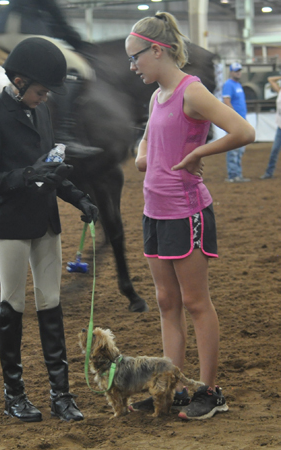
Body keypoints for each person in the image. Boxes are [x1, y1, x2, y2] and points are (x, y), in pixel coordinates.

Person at [125, 12, 255, 420]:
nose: (133, 66)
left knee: (196, 303)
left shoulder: (190, 91)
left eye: (136, 58)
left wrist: (199, 153)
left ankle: (211, 392)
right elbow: (146, 139)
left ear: (157, 50)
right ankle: (175, 389)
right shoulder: (156, 95)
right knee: (166, 302)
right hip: (154, 211)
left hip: (186, 210)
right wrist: (143, 156)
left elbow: (243, 132)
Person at [0, 37, 99, 423]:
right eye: (41, 91)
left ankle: (61, 394)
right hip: (10, 224)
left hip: (46, 220)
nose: (45, 98)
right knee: (12, 306)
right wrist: (27, 175)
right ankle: (15, 395)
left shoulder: (42, 114)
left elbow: (53, 168)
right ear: (20, 80)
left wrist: (79, 198)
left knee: (52, 305)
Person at [0, 0, 99, 157]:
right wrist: (78, 44)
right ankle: (63, 134)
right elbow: (56, 17)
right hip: (21, 30)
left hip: (8, 30)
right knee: (77, 68)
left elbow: (52, 22)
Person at [222, 62, 251, 182]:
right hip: (236, 121)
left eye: (239, 70)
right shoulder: (229, 84)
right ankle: (233, 175)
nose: (239, 72)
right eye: (236, 70)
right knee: (234, 148)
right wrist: (235, 118)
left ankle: (237, 174)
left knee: (239, 149)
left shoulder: (237, 85)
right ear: (231, 72)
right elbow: (226, 101)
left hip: (241, 120)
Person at [260, 74, 281, 179]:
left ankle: (269, 173)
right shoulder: (280, 91)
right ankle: (269, 173)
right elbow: (270, 79)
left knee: (275, 151)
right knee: (274, 151)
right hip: (280, 127)